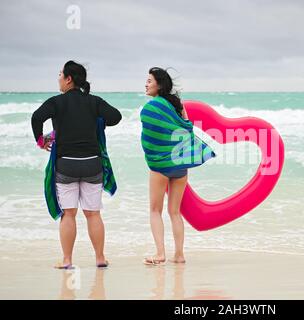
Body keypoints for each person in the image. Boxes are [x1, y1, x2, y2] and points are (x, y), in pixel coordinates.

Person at [31, 60, 122, 269]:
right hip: (92, 164)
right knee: (93, 213)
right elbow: (115, 116)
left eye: (60, 75)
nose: (59, 79)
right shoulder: (94, 102)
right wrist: (97, 120)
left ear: (69, 79)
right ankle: (100, 258)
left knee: (69, 213)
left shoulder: (56, 102)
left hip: (67, 165)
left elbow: (36, 117)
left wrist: (40, 140)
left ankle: (67, 261)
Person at [140, 67, 216, 265]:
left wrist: (157, 154)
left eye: (149, 81)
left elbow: (150, 137)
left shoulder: (151, 107)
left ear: (159, 84)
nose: (146, 84)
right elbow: (186, 129)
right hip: (180, 165)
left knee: (155, 210)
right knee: (175, 212)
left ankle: (160, 253)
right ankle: (179, 254)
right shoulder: (178, 105)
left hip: (161, 165)